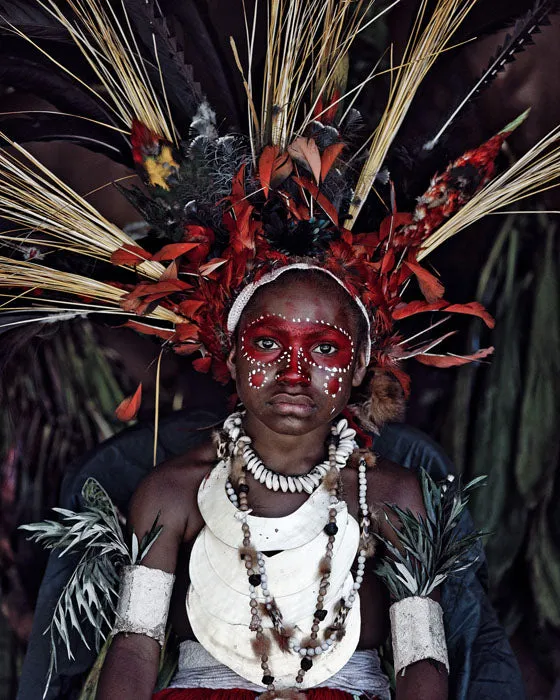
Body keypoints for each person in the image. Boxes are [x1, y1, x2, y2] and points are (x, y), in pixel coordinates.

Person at [96, 268, 447, 700]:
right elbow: (135, 644)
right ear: (231, 358)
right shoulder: (173, 492)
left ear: (358, 367)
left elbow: (422, 656)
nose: (294, 373)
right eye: (266, 343)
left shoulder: (388, 494)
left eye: (323, 347)